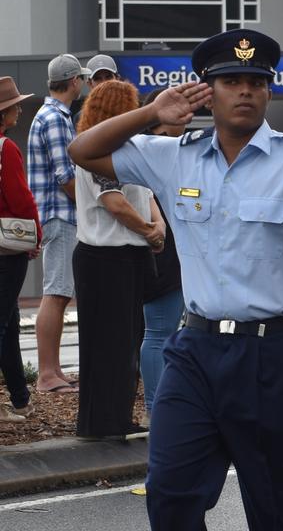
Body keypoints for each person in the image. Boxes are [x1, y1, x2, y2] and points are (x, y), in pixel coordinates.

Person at [68, 29, 283, 529]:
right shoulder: (175, 155)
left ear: (269, 92)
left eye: (255, 81)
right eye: (230, 81)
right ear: (208, 91)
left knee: (277, 510)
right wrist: (151, 113)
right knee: (170, 495)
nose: (244, 90)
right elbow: (82, 150)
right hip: (196, 351)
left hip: (277, 356)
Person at [72, 79, 161, 438]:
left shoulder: (123, 150)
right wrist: (149, 229)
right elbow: (114, 202)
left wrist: (155, 226)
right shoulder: (97, 151)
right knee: (109, 344)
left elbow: (144, 193)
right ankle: (102, 422)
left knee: (124, 342)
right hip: (106, 256)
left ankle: (114, 417)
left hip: (124, 254)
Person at [26, 53, 87, 395]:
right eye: (82, 80)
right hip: (60, 214)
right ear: (74, 81)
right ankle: (48, 375)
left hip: (53, 214)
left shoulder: (48, 114)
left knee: (59, 292)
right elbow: (66, 175)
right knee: (57, 292)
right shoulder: (56, 118)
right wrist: (94, 209)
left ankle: (53, 371)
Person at [138, 90, 186, 427]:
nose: (186, 115)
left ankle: (162, 404)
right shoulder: (150, 148)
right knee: (158, 330)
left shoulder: (176, 148)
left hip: (174, 250)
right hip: (160, 251)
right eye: (178, 109)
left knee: (166, 332)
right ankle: (155, 408)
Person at [0, 76, 38, 422]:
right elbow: (21, 199)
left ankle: (20, 398)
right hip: (7, 248)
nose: (20, 109)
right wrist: (35, 237)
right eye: (14, 106)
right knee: (3, 322)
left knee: (10, 322)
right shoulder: (6, 147)